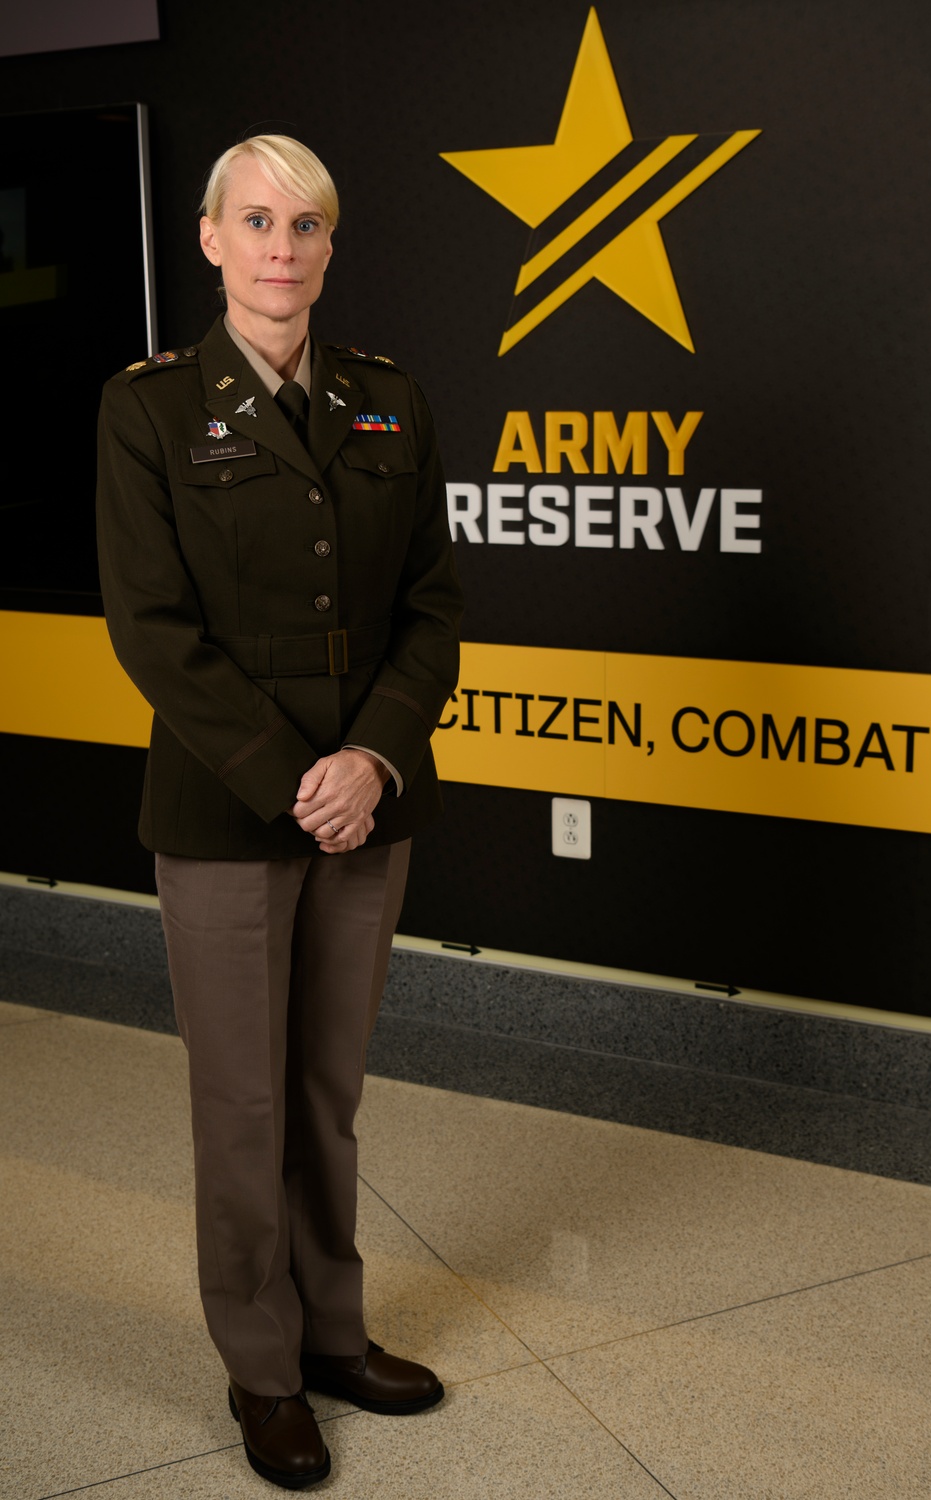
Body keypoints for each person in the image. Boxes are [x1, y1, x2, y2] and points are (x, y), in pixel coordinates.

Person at [96, 134, 462, 1490]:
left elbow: (432, 609)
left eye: (307, 224)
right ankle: (262, 1368)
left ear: (327, 246)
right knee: (243, 1106)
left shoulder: (389, 402)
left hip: (368, 810)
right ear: (209, 239)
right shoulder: (145, 409)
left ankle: (333, 1335)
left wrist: (370, 763)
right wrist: (293, 779)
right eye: (256, 220)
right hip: (227, 811)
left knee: (327, 1092)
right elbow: (152, 630)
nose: (282, 247)